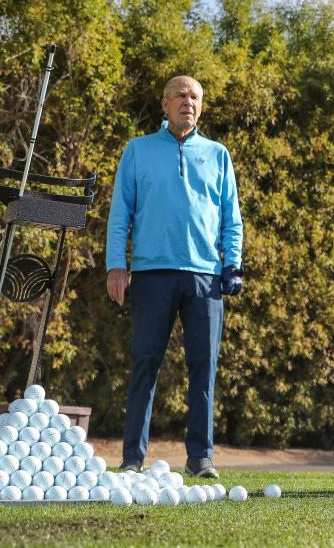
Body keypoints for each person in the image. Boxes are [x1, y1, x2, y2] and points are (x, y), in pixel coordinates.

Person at [106, 75, 243, 478]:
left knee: (204, 368)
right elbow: (120, 215)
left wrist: (231, 264)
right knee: (144, 363)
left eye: (196, 97)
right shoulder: (138, 150)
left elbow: (231, 219)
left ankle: (201, 458)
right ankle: (132, 459)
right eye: (181, 95)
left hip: (205, 278)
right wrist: (117, 265)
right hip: (151, 273)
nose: (189, 102)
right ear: (164, 104)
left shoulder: (218, 154)